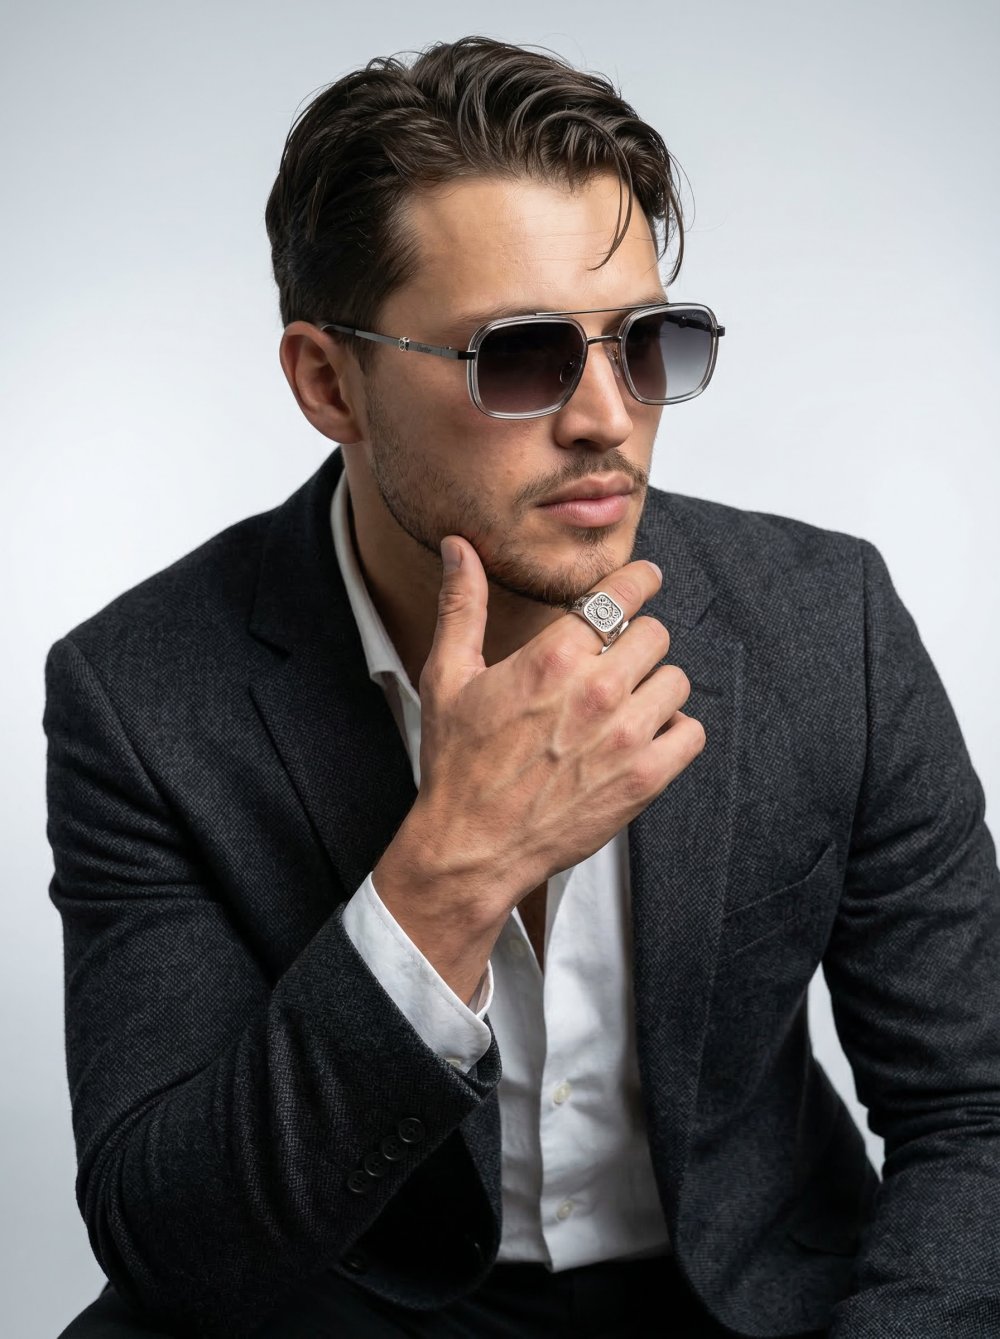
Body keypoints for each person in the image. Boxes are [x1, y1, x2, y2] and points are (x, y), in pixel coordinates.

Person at [43, 34, 1000, 1339]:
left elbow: (974, 1114)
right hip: (352, 1299)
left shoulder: (828, 622)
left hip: (743, 1299)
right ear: (329, 382)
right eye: (522, 357)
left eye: (648, 344)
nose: (608, 416)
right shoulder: (143, 691)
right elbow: (173, 1241)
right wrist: (450, 871)